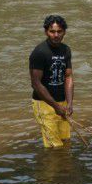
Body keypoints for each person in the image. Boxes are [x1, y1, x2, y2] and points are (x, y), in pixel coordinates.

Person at [29, 15, 74, 148]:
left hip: (62, 104)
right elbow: (36, 84)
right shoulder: (39, 52)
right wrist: (55, 106)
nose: (56, 35)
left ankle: (64, 168)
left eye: (59, 31)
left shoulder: (66, 50)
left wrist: (70, 103)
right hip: (44, 104)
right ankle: (52, 168)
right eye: (52, 31)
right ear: (46, 32)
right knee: (54, 147)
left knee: (65, 142)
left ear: (64, 32)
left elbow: (68, 77)